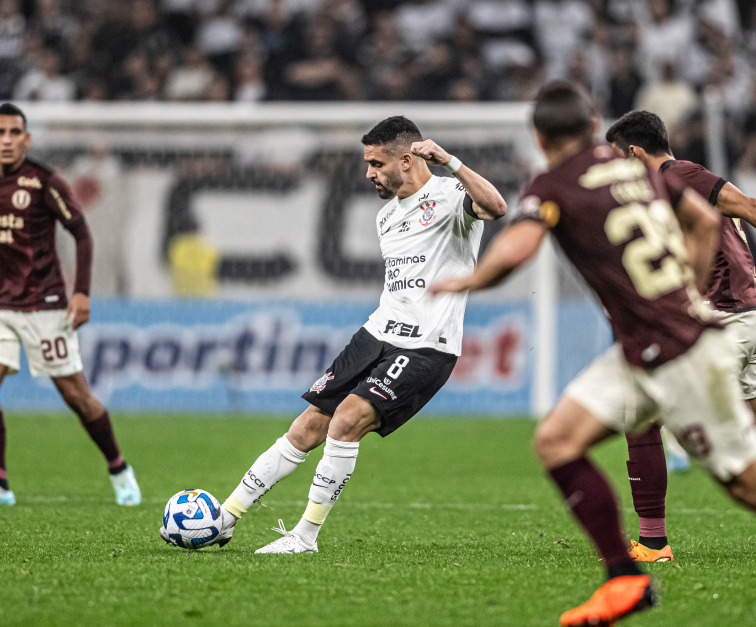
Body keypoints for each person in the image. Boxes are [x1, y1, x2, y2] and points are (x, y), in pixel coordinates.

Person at [431, 81, 756, 626]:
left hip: (678, 353)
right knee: (557, 439)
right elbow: (702, 220)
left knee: (755, 484)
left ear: (539, 136)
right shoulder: (644, 170)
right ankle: (626, 576)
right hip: (656, 344)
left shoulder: (554, 181)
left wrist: (470, 280)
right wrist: (689, 292)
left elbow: (519, 247)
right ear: (591, 121)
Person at [161, 116, 506, 552]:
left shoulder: (451, 195)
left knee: (346, 421)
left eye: (377, 164)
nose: (369, 174)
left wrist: (451, 162)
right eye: (367, 164)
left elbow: (496, 208)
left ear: (406, 158)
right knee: (307, 427)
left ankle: (305, 536)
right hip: (376, 334)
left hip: (426, 344)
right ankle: (225, 518)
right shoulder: (385, 217)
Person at [605, 109, 756, 563]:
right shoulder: (664, 195)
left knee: (641, 415)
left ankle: (653, 543)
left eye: (619, 158)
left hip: (726, 323)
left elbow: (748, 206)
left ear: (635, 152)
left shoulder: (681, 174)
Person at [0, 103, 140, 507]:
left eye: (14, 133)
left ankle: (118, 467)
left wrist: (81, 292)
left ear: (26, 139)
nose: (7, 140)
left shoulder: (44, 181)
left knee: (74, 394)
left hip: (44, 304)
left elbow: (82, 234)